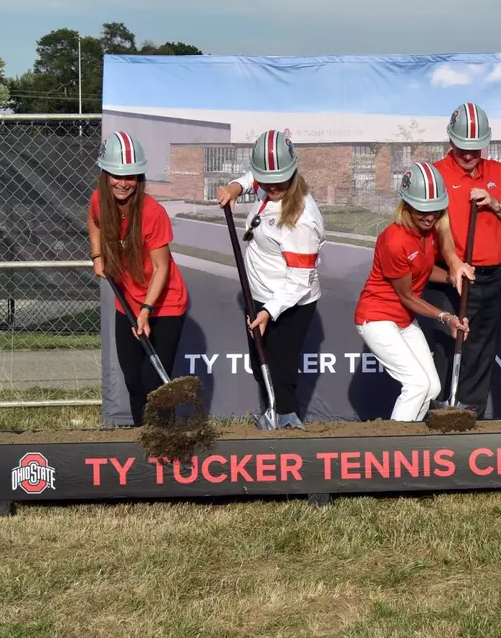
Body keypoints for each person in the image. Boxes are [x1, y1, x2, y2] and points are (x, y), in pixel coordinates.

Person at [215, 129, 326, 429]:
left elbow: (299, 281)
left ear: (293, 171)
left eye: (279, 180)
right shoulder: (271, 181)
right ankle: (275, 414)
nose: (272, 186)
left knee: (279, 368)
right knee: (260, 363)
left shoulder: (302, 220)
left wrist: (267, 312)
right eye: (266, 180)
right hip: (260, 296)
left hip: (289, 303)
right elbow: (254, 177)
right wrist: (236, 187)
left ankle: (286, 421)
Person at [354, 164, 471, 421]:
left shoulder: (427, 232)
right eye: (422, 210)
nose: (429, 217)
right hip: (377, 318)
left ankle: (413, 440)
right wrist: (446, 317)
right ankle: (395, 448)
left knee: (432, 387)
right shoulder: (394, 240)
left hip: (403, 320)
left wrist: (455, 276)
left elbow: (424, 270)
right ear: (406, 205)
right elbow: (407, 295)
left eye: (434, 210)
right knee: (416, 384)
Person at [89, 131, 190, 426]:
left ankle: (165, 439)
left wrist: (146, 311)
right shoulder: (100, 200)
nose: (123, 183)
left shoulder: (152, 213)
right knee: (133, 378)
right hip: (128, 300)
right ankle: (142, 439)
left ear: (140, 177)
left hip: (164, 304)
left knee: (154, 383)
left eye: (131, 176)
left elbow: (161, 269)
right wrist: (98, 256)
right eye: (116, 175)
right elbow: (93, 222)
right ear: (106, 174)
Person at [424, 102, 501, 418]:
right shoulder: (435, 173)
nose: (467, 155)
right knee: (446, 346)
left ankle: (470, 414)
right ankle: (438, 411)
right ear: (451, 141)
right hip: (448, 276)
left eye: (475, 149)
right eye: (462, 148)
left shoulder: (497, 172)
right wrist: (452, 265)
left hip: (489, 275)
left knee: (480, 350)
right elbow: (431, 224)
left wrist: (495, 203)